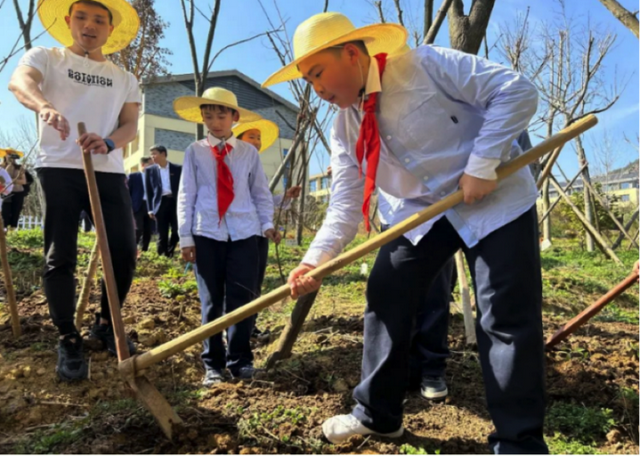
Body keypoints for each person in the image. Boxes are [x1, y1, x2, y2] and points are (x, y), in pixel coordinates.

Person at [263, 12, 546, 453]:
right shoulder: (346, 126)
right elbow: (343, 200)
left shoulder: (427, 65)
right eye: (308, 80)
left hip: (495, 199)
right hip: (420, 215)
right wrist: (312, 260)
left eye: (318, 73)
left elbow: (516, 90)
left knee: (505, 316)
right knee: (387, 294)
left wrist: (483, 163)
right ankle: (378, 415)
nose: (316, 89)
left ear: (352, 55)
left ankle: (518, 442)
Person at [8, 0, 140, 381]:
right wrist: (45, 107)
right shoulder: (46, 57)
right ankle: (67, 337)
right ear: (68, 21)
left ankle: (104, 322)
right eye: (81, 16)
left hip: (107, 171)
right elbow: (20, 82)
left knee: (123, 251)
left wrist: (111, 143)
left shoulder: (124, 77)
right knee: (60, 252)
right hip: (59, 167)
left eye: (100, 19)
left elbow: (130, 124)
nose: (90, 25)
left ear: (110, 29)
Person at [175, 87, 278, 386]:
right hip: (207, 232)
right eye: (209, 115)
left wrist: (267, 223)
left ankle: (241, 361)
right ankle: (213, 365)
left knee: (242, 299)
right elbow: (187, 195)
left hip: (245, 232)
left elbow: (260, 192)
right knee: (210, 301)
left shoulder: (247, 152)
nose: (215, 121)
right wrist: (185, 237)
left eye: (221, 115)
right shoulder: (195, 151)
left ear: (234, 117)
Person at [234, 119, 302, 340]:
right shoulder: (230, 165)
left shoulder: (256, 167)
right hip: (239, 233)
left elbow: (263, 201)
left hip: (259, 233)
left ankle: (249, 327)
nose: (256, 141)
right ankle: (234, 331)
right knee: (240, 283)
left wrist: (285, 198)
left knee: (255, 282)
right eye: (251, 136)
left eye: (258, 137)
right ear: (238, 140)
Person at [145, 145, 181, 257]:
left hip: (175, 203)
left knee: (176, 231)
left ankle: (170, 252)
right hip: (160, 203)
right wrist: (150, 209)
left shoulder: (178, 169)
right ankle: (162, 255)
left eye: (154, 154)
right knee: (162, 232)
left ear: (163, 154)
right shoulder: (150, 170)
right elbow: (149, 191)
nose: (152, 157)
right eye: (151, 154)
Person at [128, 156, 152, 252]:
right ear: (143, 165)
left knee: (148, 230)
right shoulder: (133, 176)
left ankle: (144, 249)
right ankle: (133, 248)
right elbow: (128, 192)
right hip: (138, 205)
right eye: (150, 165)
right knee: (138, 228)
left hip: (150, 206)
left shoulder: (154, 178)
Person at [1, 151, 28, 229]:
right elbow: (3, 179)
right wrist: (9, 166)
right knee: (5, 212)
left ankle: (13, 229)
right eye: (8, 155)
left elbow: (24, 181)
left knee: (15, 211)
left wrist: (12, 180)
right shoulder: (1, 167)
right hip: (5, 192)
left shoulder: (19, 167)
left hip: (18, 192)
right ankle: (4, 229)